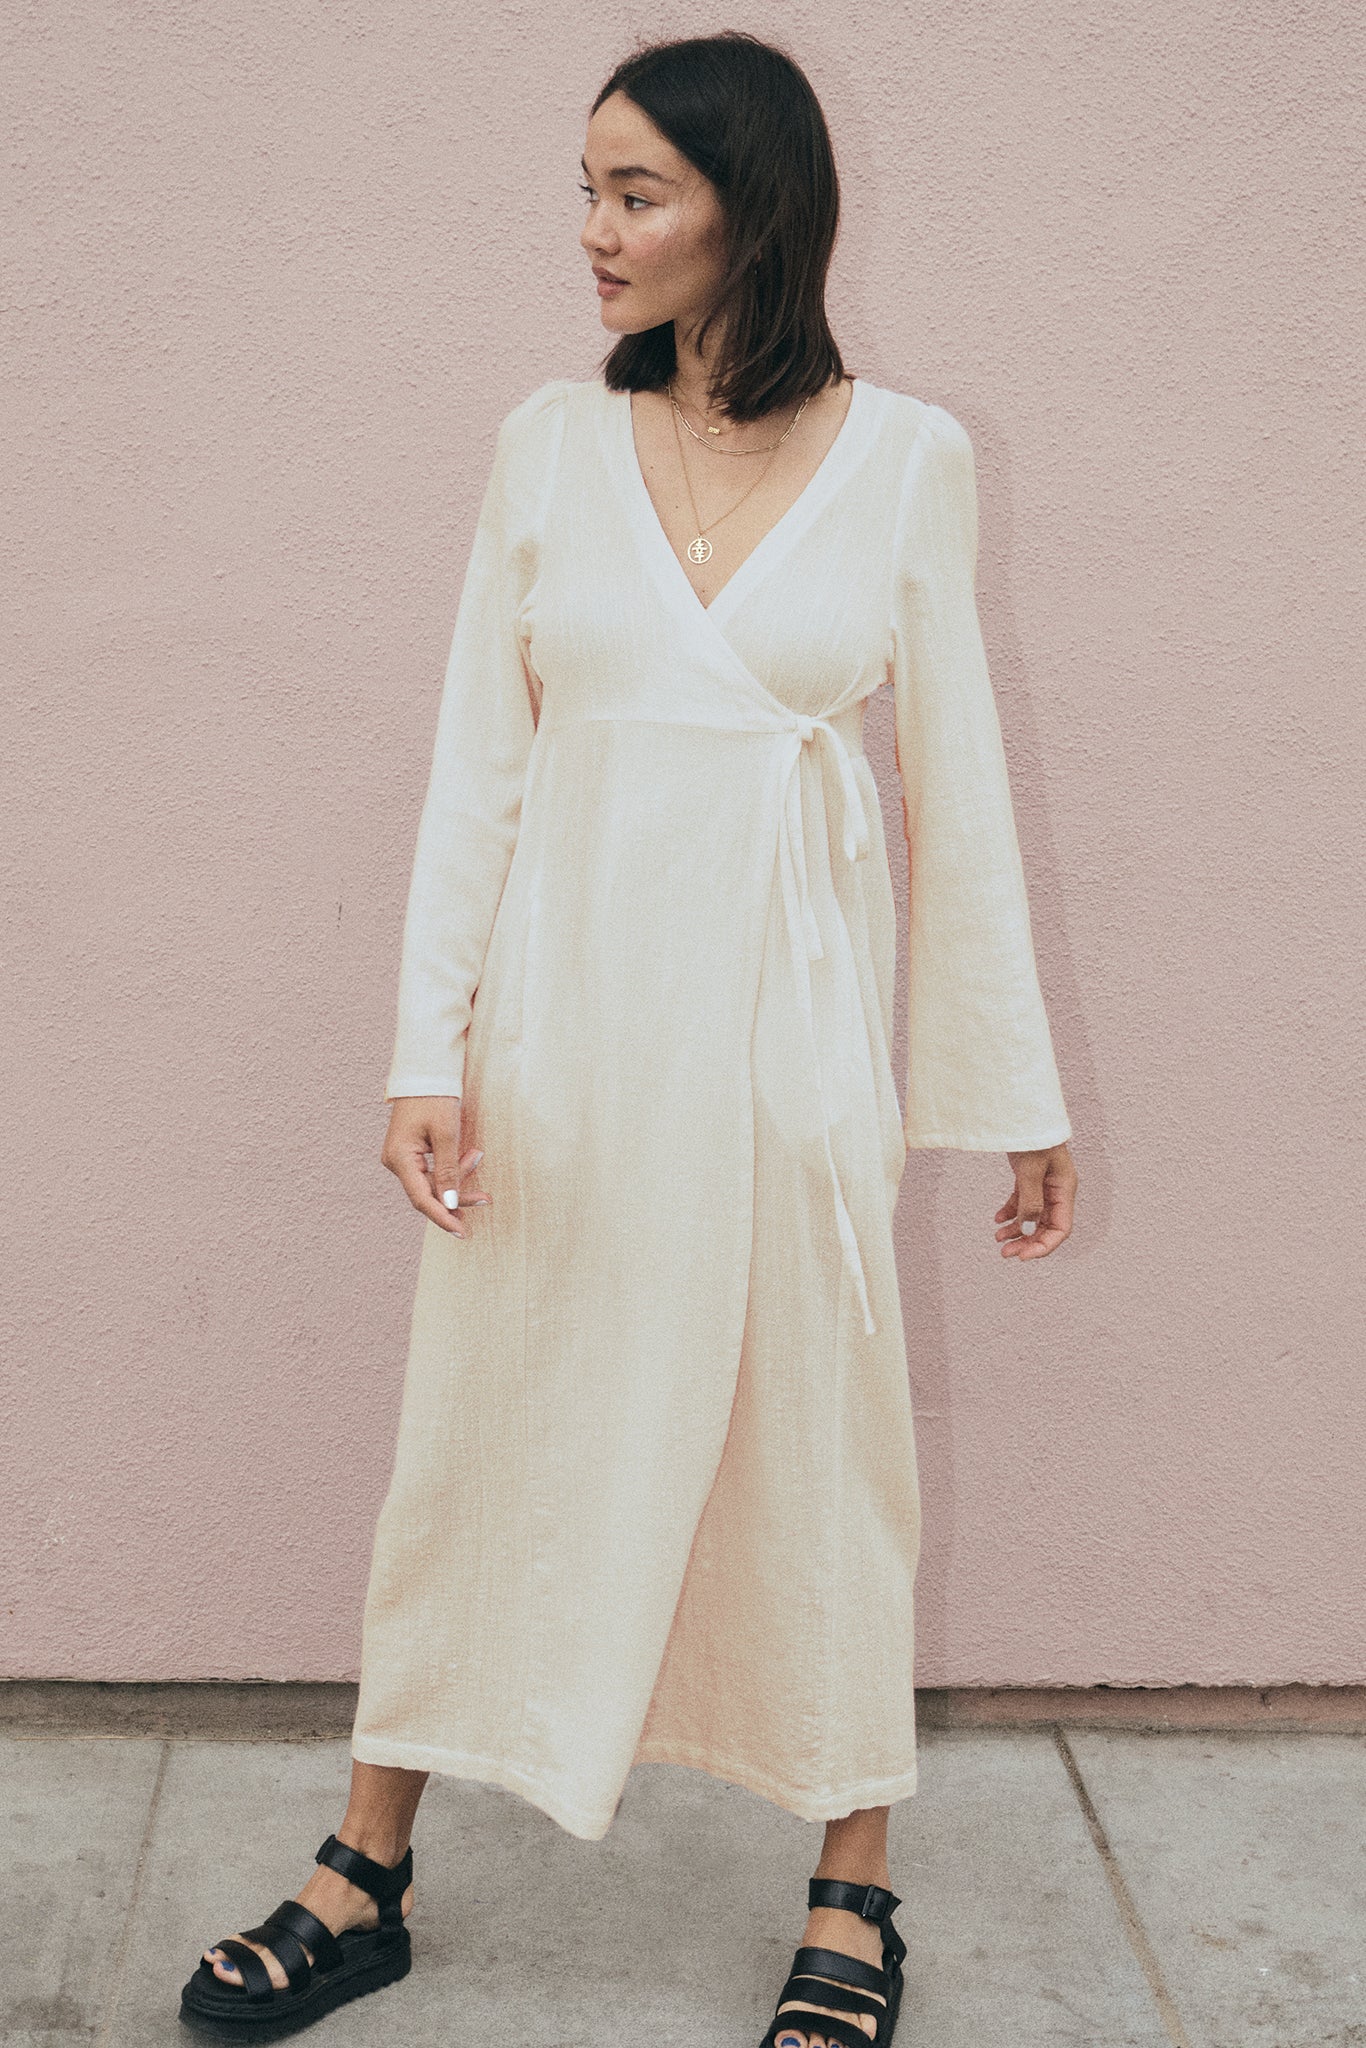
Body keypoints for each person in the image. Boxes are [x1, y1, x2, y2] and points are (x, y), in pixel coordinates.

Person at [178, 29, 1077, 2048]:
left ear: (750, 208)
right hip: (562, 1047)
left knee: (816, 1449)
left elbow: (959, 782)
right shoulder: (542, 446)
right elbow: (472, 769)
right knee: (477, 1436)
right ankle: (364, 1867)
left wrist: (997, 1092)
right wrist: (428, 1048)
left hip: (783, 1053)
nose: (587, 230)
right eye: (582, 186)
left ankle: (851, 1894)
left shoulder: (908, 457)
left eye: (631, 191)